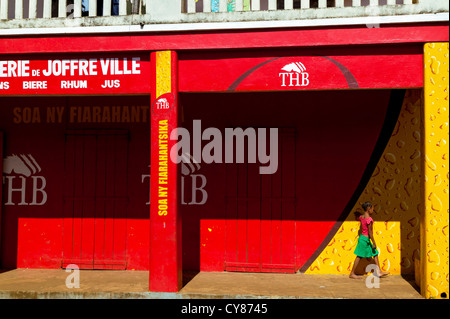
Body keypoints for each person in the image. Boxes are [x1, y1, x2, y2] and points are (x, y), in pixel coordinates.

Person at [349, 201, 389, 279]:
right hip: (365, 239)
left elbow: (358, 217)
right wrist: (374, 243)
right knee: (359, 256)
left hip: (363, 239)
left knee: (375, 253)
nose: (373, 211)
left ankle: (379, 271)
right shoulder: (369, 219)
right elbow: (370, 232)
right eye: (372, 209)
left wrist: (357, 214)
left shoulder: (362, 217)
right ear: (368, 209)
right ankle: (352, 273)